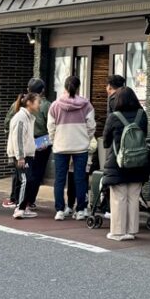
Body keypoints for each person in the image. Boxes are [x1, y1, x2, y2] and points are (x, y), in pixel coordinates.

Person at [102, 86, 149, 241]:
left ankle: (118, 232)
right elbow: (144, 135)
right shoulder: (142, 115)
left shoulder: (114, 117)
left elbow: (106, 141)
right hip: (139, 161)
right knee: (133, 197)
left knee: (119, 197)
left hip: (118, 162)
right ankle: (131, 230)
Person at [48, 75, 96, 221]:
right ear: (78, 87)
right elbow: (91, 126)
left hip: (61, 146)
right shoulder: (86, 105)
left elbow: (50, 127)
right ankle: (80, 210)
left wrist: (54, 140)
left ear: (64, 87)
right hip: (80, 147)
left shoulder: (55, 105)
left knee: (60, 179)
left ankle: (60, 210)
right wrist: (85, 137)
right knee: (80, 179)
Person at [3, 79, 52, 210]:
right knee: (36, 173)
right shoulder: (47, 105)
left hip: (24, 142)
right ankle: (29, 201)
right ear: (42, 90)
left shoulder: (17, 104)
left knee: (20, 172)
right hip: (42, 142)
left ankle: (15, 198)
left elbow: (7, 123)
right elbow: (52, 126)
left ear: (28, 89)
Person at [7, 92, 40, 220]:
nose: (39, 105)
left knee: (23, 180)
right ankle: (20, 209)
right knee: (26, 180)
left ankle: (21, 207)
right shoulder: (21, 117)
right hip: (22, 155)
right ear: (29, 103)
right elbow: (18, 138)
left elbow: (24, 138)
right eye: (37, 102)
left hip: (26, 153)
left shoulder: (28, 117)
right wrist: (20, 156)